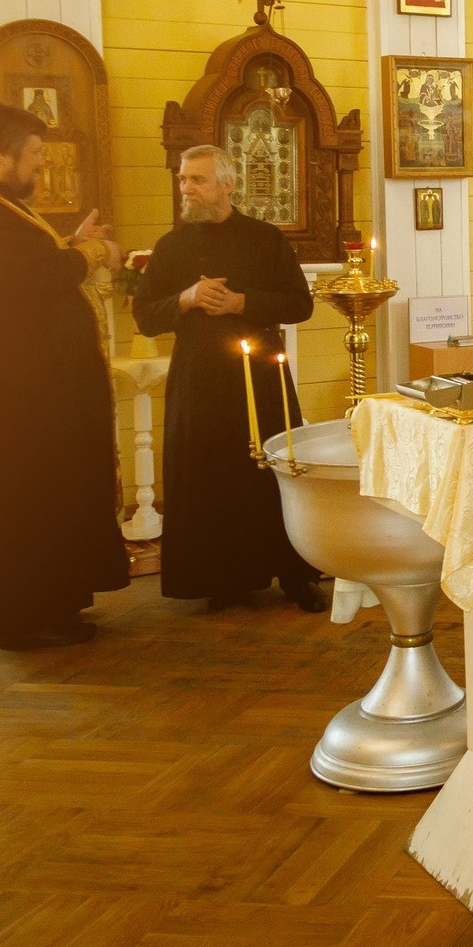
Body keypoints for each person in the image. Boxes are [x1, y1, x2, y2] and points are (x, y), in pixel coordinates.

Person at [0, 102, 129, 649]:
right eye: (34, 153)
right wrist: (91, 252)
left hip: (28, 374)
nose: (41, 164)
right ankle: (16, 616)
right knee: (13, 488)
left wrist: (66, 241)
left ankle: (55, 602)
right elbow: (24, 279)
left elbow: (27, 265)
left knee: (48, 486)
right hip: (1, 377)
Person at [133, 146, 326, 612]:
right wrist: (186, 298)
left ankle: (296, 576)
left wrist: (239, 303)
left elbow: (300, 305)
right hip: (199, 376)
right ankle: (223, 577)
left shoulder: (264, 239)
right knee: (210, 477)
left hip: (260, 374)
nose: (186, 189)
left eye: (197, 180)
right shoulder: (170, 247)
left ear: (228, 184)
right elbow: (145, 317)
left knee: (274, 472)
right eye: (183, 179)